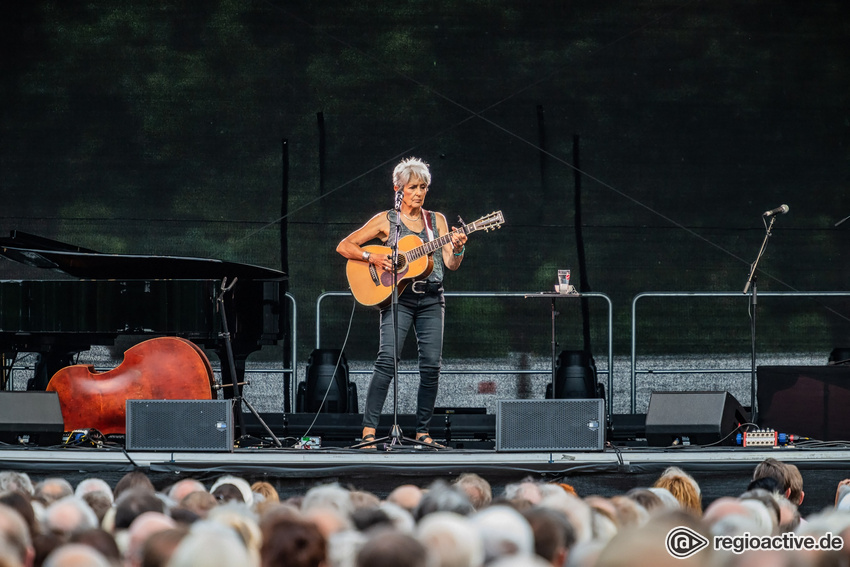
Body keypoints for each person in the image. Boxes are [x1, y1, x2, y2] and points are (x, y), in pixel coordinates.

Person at [336, 157, 467, 449]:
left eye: (423, 187)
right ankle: (369, 431)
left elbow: (450, 263)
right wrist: (374, 257)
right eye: (413, 187)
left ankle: (423, 432)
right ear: (399, 189)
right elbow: (345, 245)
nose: (419, 193)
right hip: (399, 298)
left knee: (432, 366)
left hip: (433, 298)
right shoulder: (388, 220)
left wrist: (458, 249)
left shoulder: (437, 222)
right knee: (387, 361)